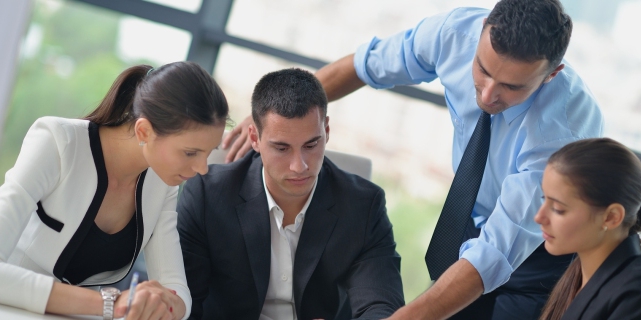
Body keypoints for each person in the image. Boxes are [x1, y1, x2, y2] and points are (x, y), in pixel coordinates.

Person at [221, 0, 603, 318]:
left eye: (511, 86)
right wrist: (275, 118)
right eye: (483, 70)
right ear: (483, 29)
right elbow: (364, 65)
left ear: (552, 74)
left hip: (543, 253)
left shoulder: (561, 132)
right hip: (474, 223)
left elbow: (496, 253)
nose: (487, 95)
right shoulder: (453, 34)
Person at [0, 61, 229, 320]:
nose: (201, 168)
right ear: (144, 130)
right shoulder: (57, 141)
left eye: (207, 154)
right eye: (190, 153)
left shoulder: (162, 183)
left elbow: (176, 289)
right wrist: (113, 303)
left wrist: (159, 303)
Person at [177, 68, 404, 319]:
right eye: (282, 148)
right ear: (254, 138)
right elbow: (184, 301)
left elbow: (381, 306)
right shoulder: (208, 195)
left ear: (326, 130)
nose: (300, 166)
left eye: (311, 144)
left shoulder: (363, 206)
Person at [535, 138, 641, 320]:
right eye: (544, 199)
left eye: (558, 209)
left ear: (611, 217)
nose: (539, 217)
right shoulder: (580, 272)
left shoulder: (640, 296)